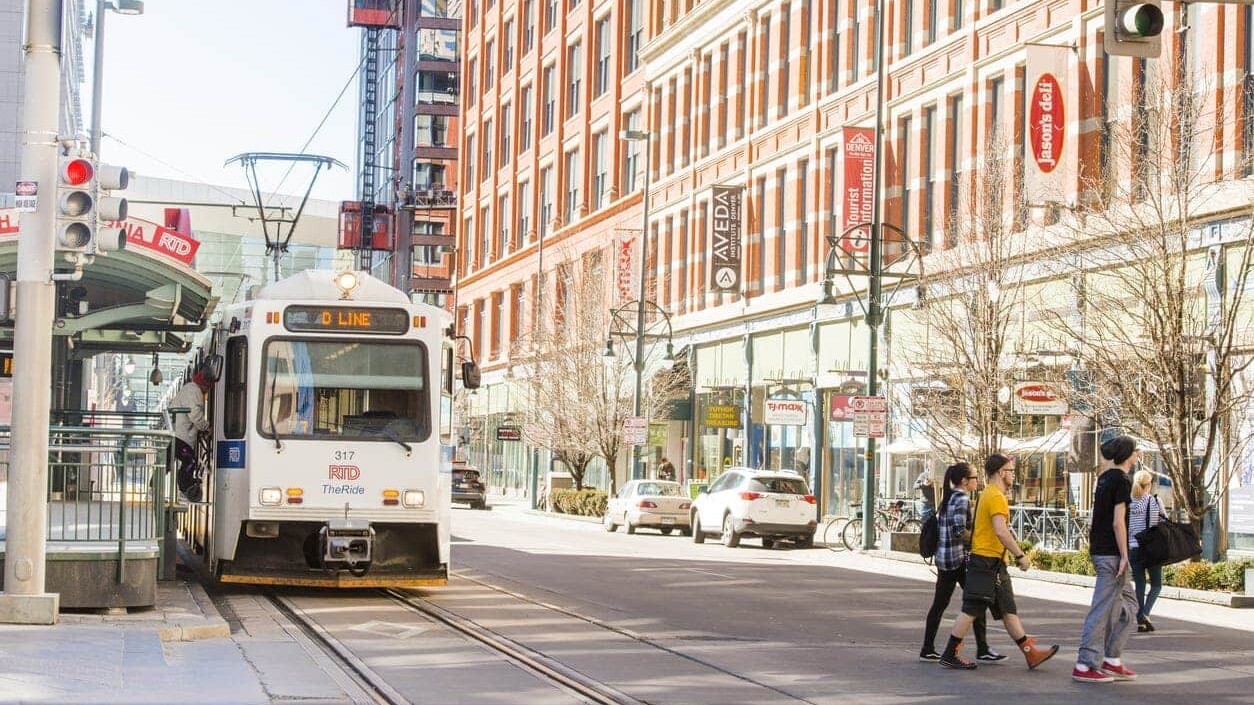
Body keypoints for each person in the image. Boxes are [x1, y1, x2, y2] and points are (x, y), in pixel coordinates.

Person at [939, 453, 1059, 671]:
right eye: (1011, 470)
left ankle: (1031, 653)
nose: (1014, 474)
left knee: (1007, 609)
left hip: (993, 563)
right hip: (986, 561)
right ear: (1000, 472)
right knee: (971, 609)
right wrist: (1020, 555)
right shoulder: (995, 496)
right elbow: (1001, 531)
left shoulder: (988, 493)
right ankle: (950, 652)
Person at [1072, 436, 1141, 683]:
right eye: (1135, 451)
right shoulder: (1122, 481)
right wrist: (1124, 555)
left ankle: (1111, 659)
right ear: (1128, 454)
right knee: (1102, 609)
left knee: (1129, 607)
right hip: (1112, 554)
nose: (1137, 455)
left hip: (1103, 551)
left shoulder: (1104, 478)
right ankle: (1085, 663)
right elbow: (1117, 521)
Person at [920, 462, 1005, 663]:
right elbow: (959, 531)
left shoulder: (949, 498)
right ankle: (982, 649)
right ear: (965, 481)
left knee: (943, 604)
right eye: (975, 477)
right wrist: (978, 538)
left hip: (945, 558)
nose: (978, 481)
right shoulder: (961, 499)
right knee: (977, 600)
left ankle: (928, 647)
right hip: (957, 559)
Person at [1129, 469, 1166, 632]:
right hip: (1151, 548)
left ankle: (1141, 621)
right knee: (1157, 584)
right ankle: (1145, 613)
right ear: (1149, 485)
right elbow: (1163, 521)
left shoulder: (1128, 503)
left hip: (1133, 547)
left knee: (1140, 583)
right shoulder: (1155, 501)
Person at [171, 368, 213, 503]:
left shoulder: (190, 389)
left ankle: (153, 487)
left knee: (168, 460)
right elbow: (194, 414)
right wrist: (206, 427)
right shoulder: (194, 391)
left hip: (177, 434)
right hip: (181, 436)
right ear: (205, 385)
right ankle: (184, 489)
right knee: (190, 460)